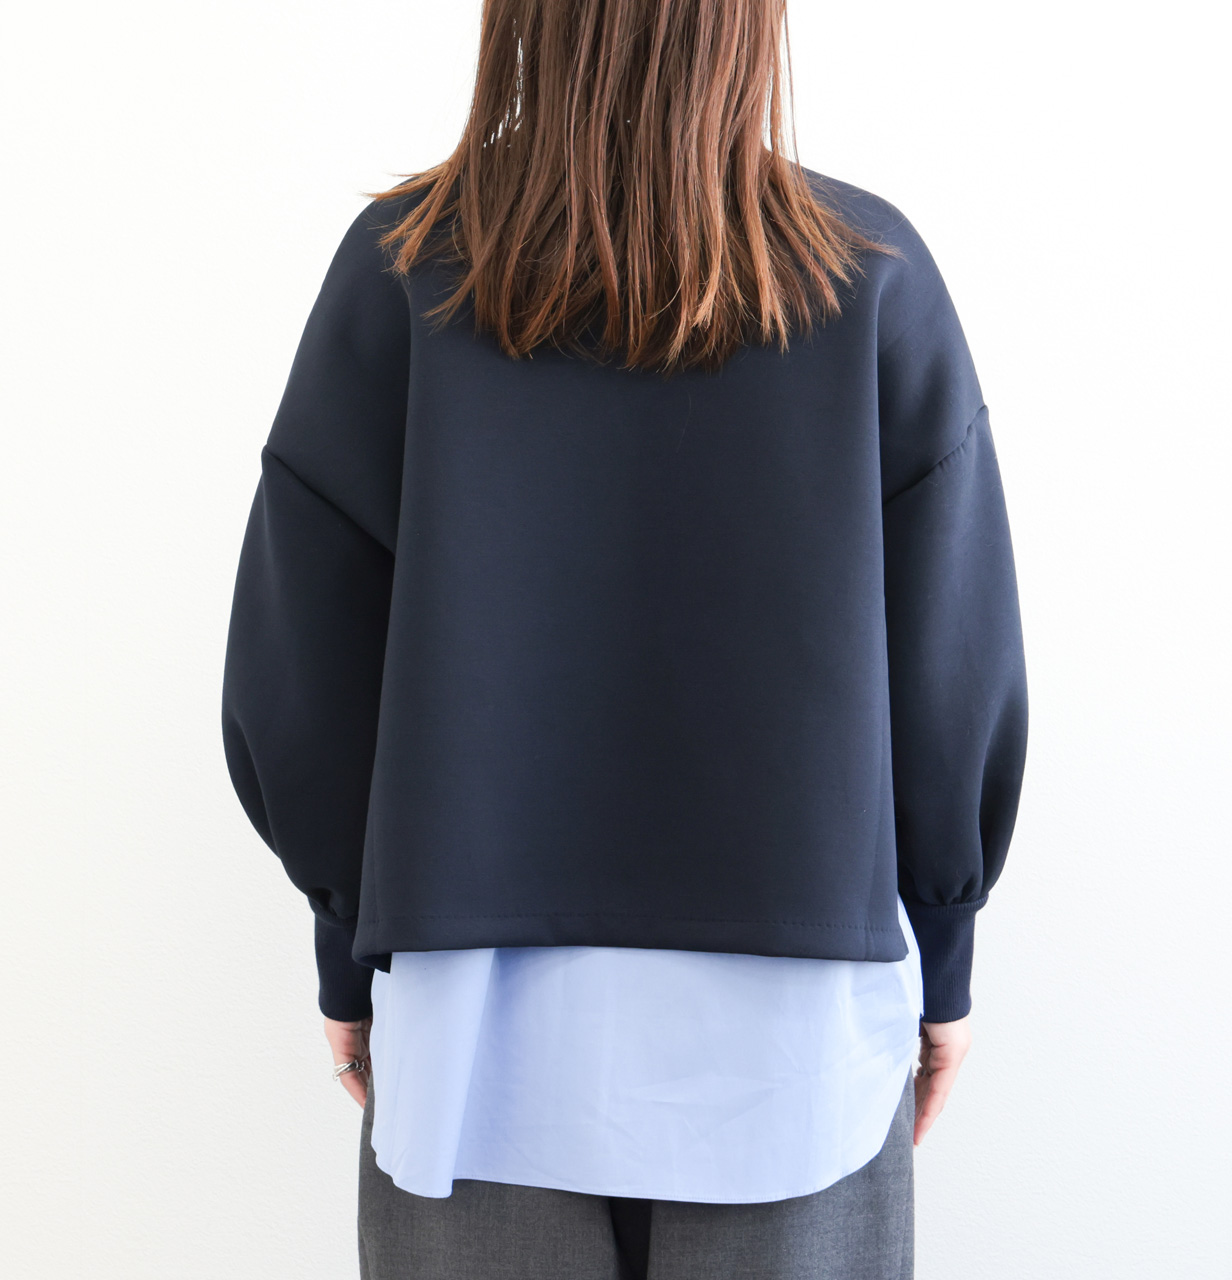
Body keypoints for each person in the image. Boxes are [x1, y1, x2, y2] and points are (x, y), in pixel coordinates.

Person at [221, 0, 1028, 1275]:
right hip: (793, 1051)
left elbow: (301, 674)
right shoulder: (864, 273)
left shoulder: (405, 266)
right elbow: (952, 677)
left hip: (472, 1030)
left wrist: (348, 941)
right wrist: (944, 955)